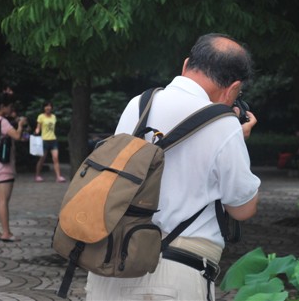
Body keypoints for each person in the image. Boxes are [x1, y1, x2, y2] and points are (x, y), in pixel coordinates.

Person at [85, 33, 261, 301]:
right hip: (174, 273)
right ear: (234, 88)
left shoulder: (140, 104)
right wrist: (238, 138)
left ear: (186, 64)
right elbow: (243, 208)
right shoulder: (224, 126)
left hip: (111, 264)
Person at [0, 93, 27, 242]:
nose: (11, 109)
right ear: (2, 107)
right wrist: (21, 124)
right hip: (4, 165)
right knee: (4, 200)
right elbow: (17, 136)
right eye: (10, 106)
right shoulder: (2, 122)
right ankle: (6, 233)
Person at [33, 101, 65, 183]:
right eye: (46, 106)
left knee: (56, 158)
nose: (48, 107)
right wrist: (36, 132)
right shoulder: (41, 117)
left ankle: (58, 177)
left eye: (50, 106)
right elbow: (38, 128)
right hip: (44, 140)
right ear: (44, 108)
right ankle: (37, 175)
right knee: (42, 159)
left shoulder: (54, 117)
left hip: (53, 140)